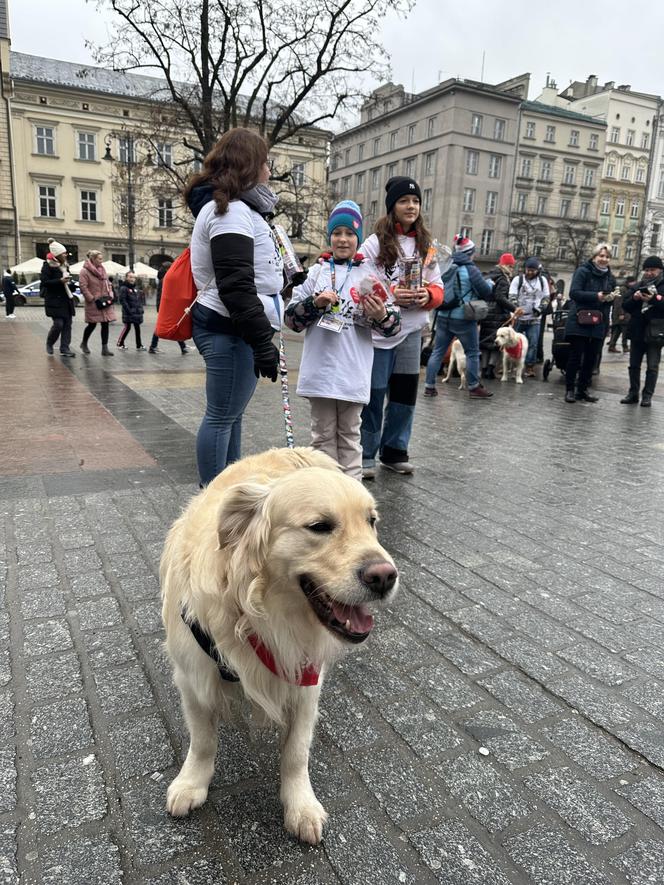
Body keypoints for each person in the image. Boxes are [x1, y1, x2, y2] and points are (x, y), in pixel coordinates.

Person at [184, 127, 283, 485]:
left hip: (232, 326)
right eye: (265, 163)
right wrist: (261, 342)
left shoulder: (237, 210)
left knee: (231, 414)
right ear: (249, 165)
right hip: (229, 327)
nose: (269, 171)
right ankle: (214, 502)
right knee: (222, 415)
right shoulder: (230, 212)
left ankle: (229, 488)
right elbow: (235, 285)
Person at [285, 201, 400, 480]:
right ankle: (324, 497)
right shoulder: (316, 273)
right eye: (337, 233)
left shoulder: (370, 275)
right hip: (321, 372)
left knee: (349, 437)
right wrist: (315, 304)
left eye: (350, 233)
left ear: (358, 238)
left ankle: (352, 499)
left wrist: (381, 314)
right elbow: (291, 320)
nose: (343, 239)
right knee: (322, 438)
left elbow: (393, 327)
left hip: (352, 372)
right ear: (330, 236)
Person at [359, 176, 444, 477]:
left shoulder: (426, 245)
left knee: (405, 394)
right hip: (381, 331)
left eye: (416, 201)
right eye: (404, 201)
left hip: (411, 331)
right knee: (374, 392)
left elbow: (438, 287)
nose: (411, 206)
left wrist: (427, 295)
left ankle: (395, 451)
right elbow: (362, 284)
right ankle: (365, 454)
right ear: (392, 206)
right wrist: (391, 294)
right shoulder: (374, 243)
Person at [423, 234, 494, 399]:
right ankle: (474, 386)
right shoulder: (471, 269)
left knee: (438, 351)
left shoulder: (446, 266)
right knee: (472, 352)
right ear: (470, 253)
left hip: (442, 314)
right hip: (463, 317)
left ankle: (429, 386)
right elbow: (486, 292)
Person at [563, 243, 616, 404]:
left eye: (607, 257)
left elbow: (608, 300)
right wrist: (596, 296)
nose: (604, 259)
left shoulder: (610, 277)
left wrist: (609, 298)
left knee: (591, 358)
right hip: (580, 319)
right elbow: (574, 293)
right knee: (576, 356)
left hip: (599, 322)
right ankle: (570, 390)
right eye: (601, 256)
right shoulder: (583, 271)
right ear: (594, 257)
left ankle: (583, 389)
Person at [620, 257, 664, 407]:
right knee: (633, 365)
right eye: (647, 270)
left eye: (652, 270)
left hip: (655, 332)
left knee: (652, 366)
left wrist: (653, 299)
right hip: (637, 330)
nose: (649, 273)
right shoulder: (639, 285)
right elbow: (625, 305)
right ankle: (633, 393)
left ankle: (647, 396)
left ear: (660, 270)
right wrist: (635, 297)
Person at [509, 257, 549, 378]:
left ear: (538, 270)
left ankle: (530, 366)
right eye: (528, 269)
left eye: (533, 270)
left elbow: (546, 298)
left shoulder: (542, 281)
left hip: (534, 318)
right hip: (519, 317)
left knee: (533, 342)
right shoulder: (518, 279)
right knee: (513, 342)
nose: (530, 272)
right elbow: (512, 295)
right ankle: (511, 365)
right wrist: (516, 307)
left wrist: (540, 309)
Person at [480, 252, 516, 379]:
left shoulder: (489, 276)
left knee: (484, 344)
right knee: (497, 343)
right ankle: (490, 370)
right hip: (499, 313)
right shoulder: (503, 279)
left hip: (485, 312)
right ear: (506, 265)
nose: (512, 269)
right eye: (511, 266)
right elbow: (500, 298)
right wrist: (514, 308)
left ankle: (483, 370)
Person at [42, 238, 77, 357]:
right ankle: (50, 343)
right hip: (54, 300)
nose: (66, 255)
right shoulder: (48, 266)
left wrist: (71, 284)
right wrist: (60, 281)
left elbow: (68, 284)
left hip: (66, 300)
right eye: (63, 253)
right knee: (58, 324)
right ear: (57, 254)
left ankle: (65, 348)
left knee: (67, 324)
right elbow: (45, 282)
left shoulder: (65, 266)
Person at [78, 250, 116, 356]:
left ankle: (105, 348)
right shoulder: (84, 271)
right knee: (92, 324)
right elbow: (83, 286)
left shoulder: (102, 269)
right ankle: (84, 343)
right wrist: (91, 298)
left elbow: (108, 283)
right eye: (99, 259)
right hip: (93, 302)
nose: (101, 261)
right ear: (93, 259)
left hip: (104, 301)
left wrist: (110, 294)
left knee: (105, 324)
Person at [149, 261, 191, 354]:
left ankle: (183, 347)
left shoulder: (165, 279)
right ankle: (153, 346)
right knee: (168, 325)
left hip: (166, 307)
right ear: (168, 269)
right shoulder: (165, 279)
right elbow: (162, 296)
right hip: (166, 307)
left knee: (172, 324)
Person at [116, 271, 145, 350]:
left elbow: (139, 300)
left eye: (133, 277)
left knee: (137, 328)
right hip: (128, 312)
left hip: (136, 312)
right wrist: (128, 310)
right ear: (126, 278)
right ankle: (120, 343)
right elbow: (122, 300)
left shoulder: (135, 288)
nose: (132, 279)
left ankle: (139, 345)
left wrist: (141, 309)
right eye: (130, 277)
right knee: (127, 328)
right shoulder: (124, 288)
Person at [608, 276, 635, 353]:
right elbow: (618, 302)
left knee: (617, 331)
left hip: (622, 314)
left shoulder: (627, 289)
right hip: (622, 314)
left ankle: (612, 346)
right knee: (624, 331)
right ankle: (624, 346)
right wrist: (621, 313)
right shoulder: (623, 289)